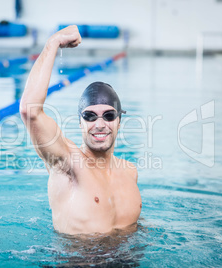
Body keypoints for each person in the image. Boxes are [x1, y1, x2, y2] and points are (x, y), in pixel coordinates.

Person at [20, 25, 142, 235]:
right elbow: (30, 112)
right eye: (90, 116)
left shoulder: (130, 172)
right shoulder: (68, 164)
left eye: (109, 115)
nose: (100, 124)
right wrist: (53, 43)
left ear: (119, 121)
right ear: (80, 122)